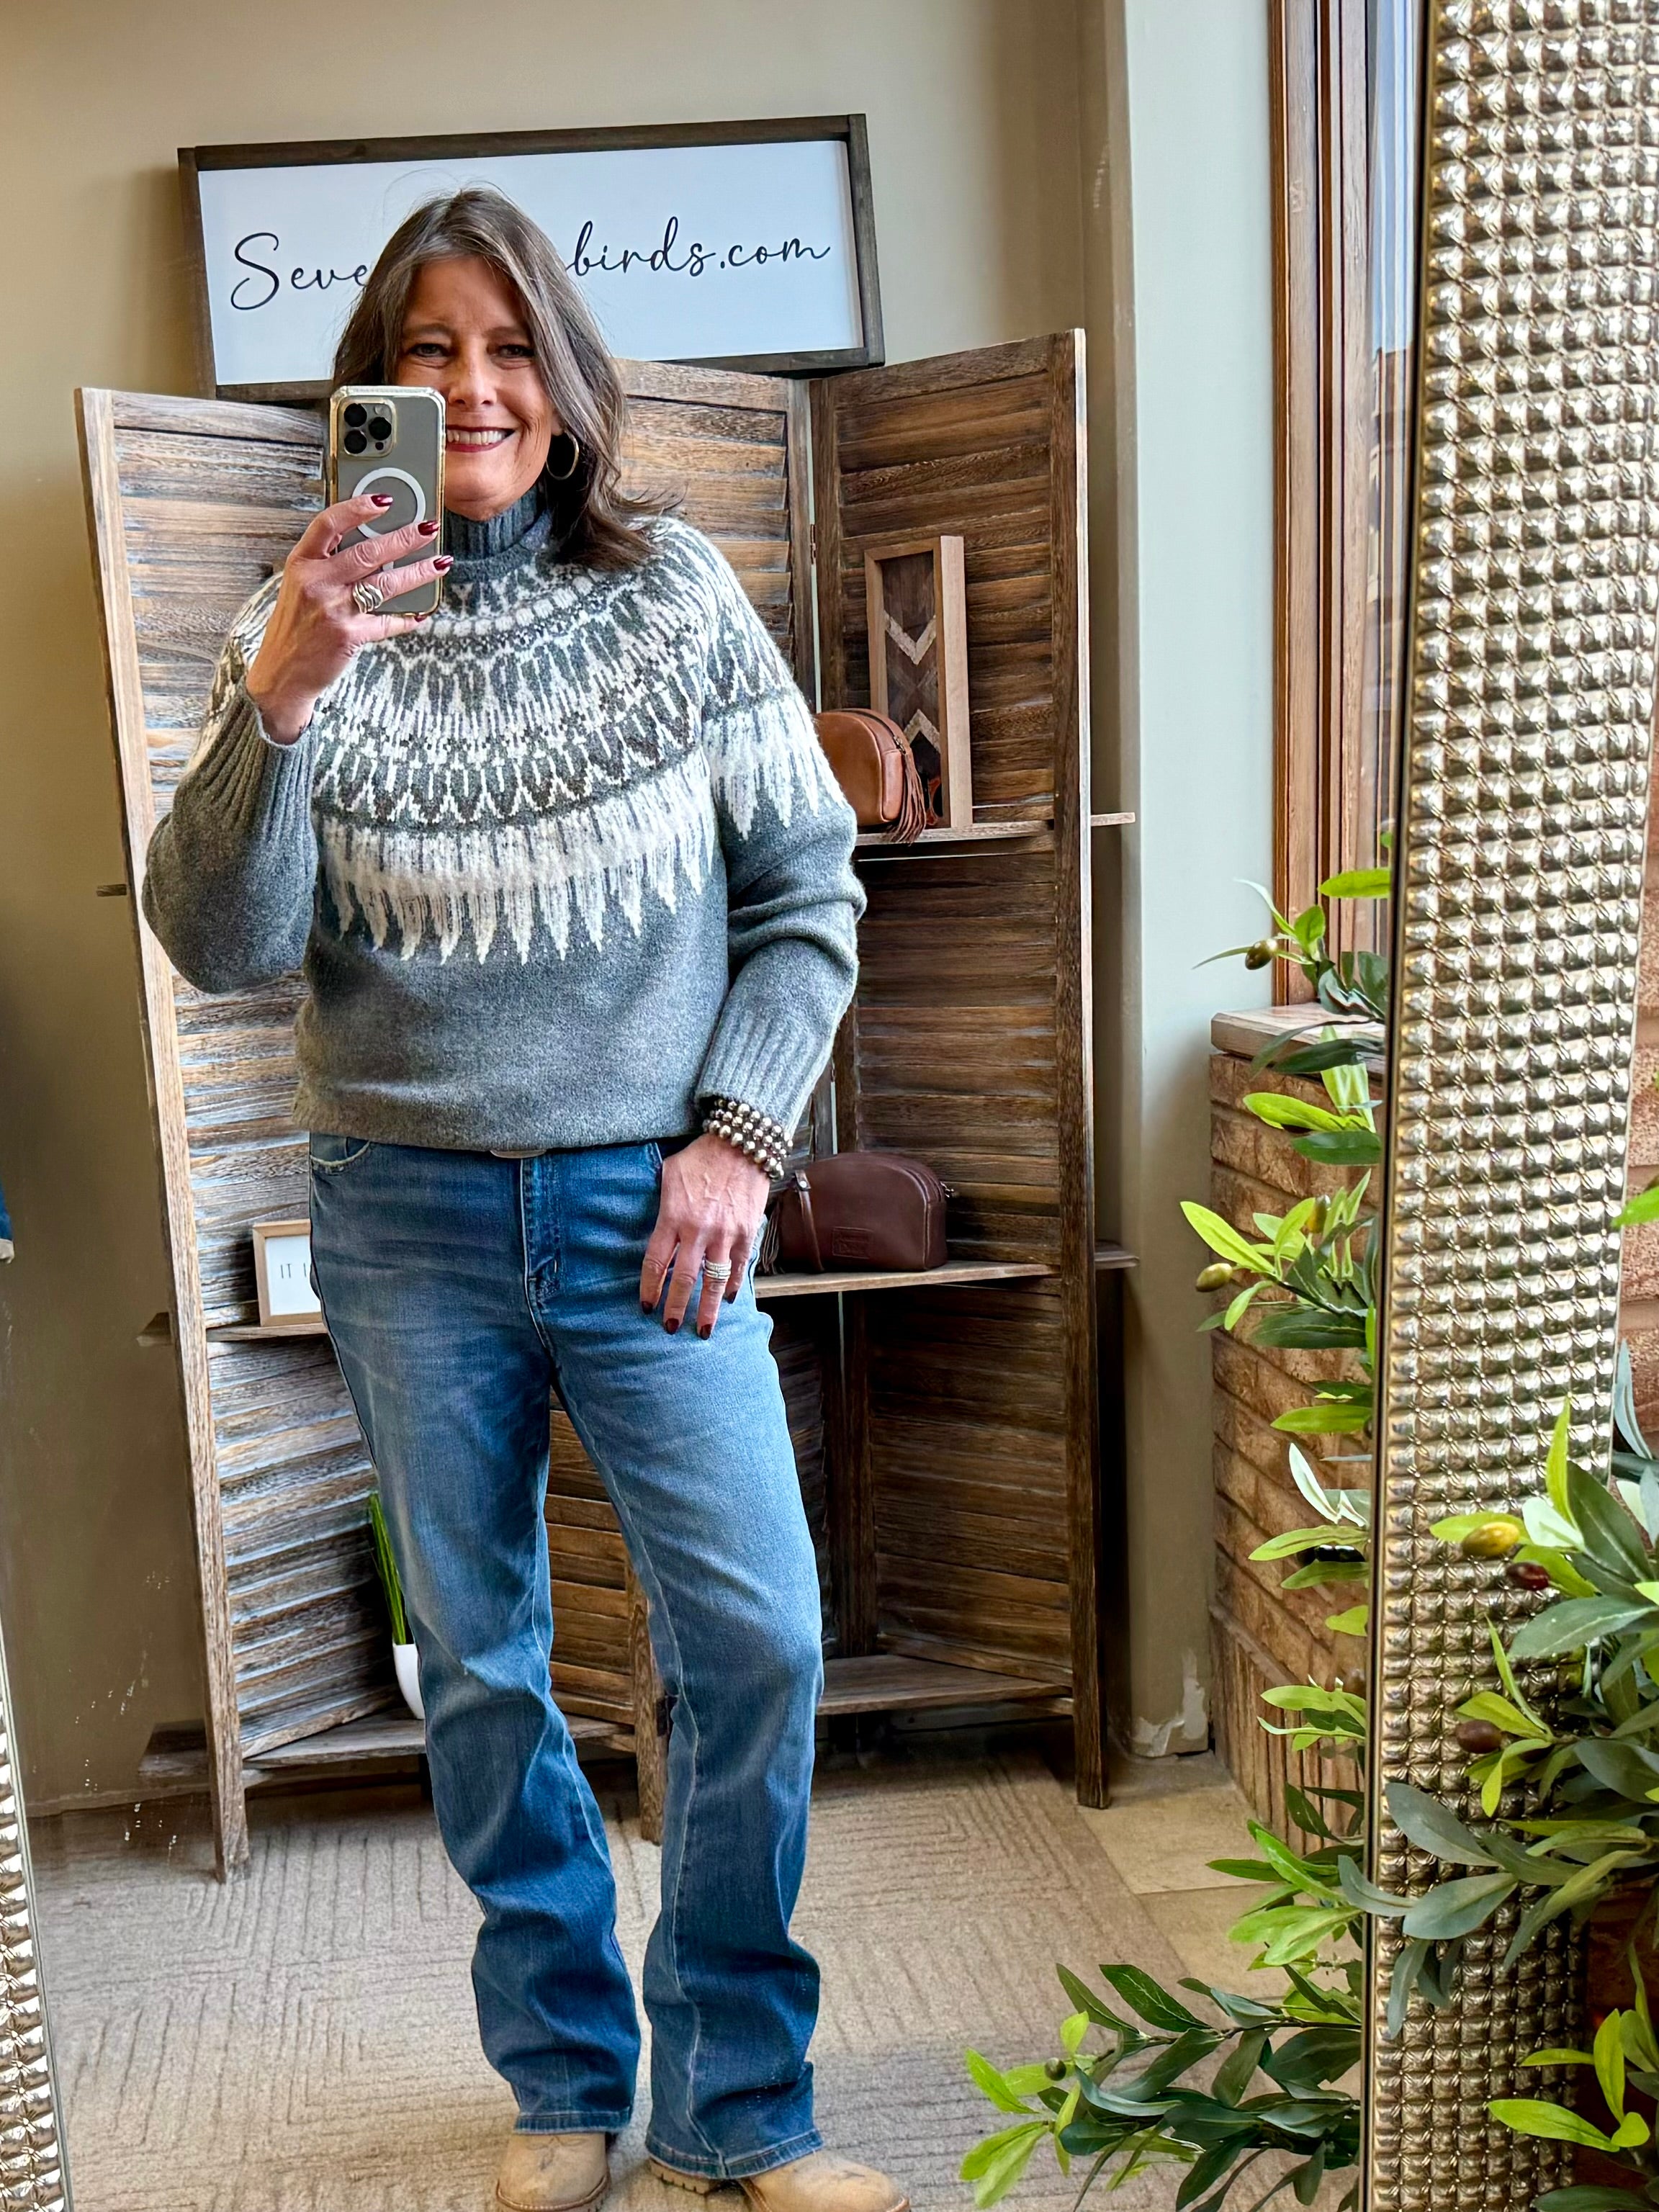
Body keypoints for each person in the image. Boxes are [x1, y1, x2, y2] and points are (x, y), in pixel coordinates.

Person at [143, 188, 902, 2212]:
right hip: (401, 1220)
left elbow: (807, 899)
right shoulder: (292, 624)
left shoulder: (675, 598)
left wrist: (739, 1142)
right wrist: (282, 701)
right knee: (479, 1663)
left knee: (757, 1640)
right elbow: (223, 944)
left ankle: (737, 2100)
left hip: (655, 1208)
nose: (471, 388)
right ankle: (564, 2075)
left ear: (563, 380)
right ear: (370, 386)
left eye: (506, 348)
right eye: (428, 349)